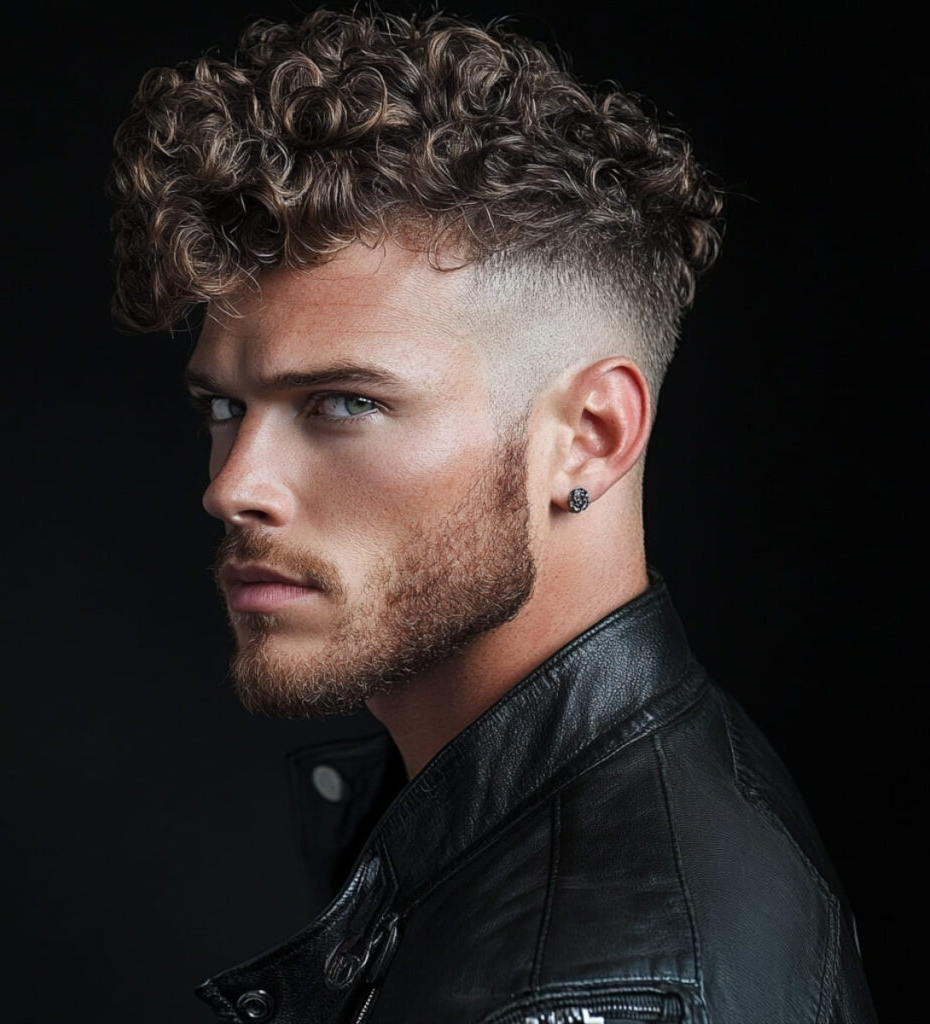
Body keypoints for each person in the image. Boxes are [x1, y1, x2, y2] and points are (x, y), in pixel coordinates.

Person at [109, 10, 877, 1023]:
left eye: (342, 402)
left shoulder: (604, 984)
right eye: (223, 407)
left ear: (590, 435)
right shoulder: (546, 805)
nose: (234, 484)